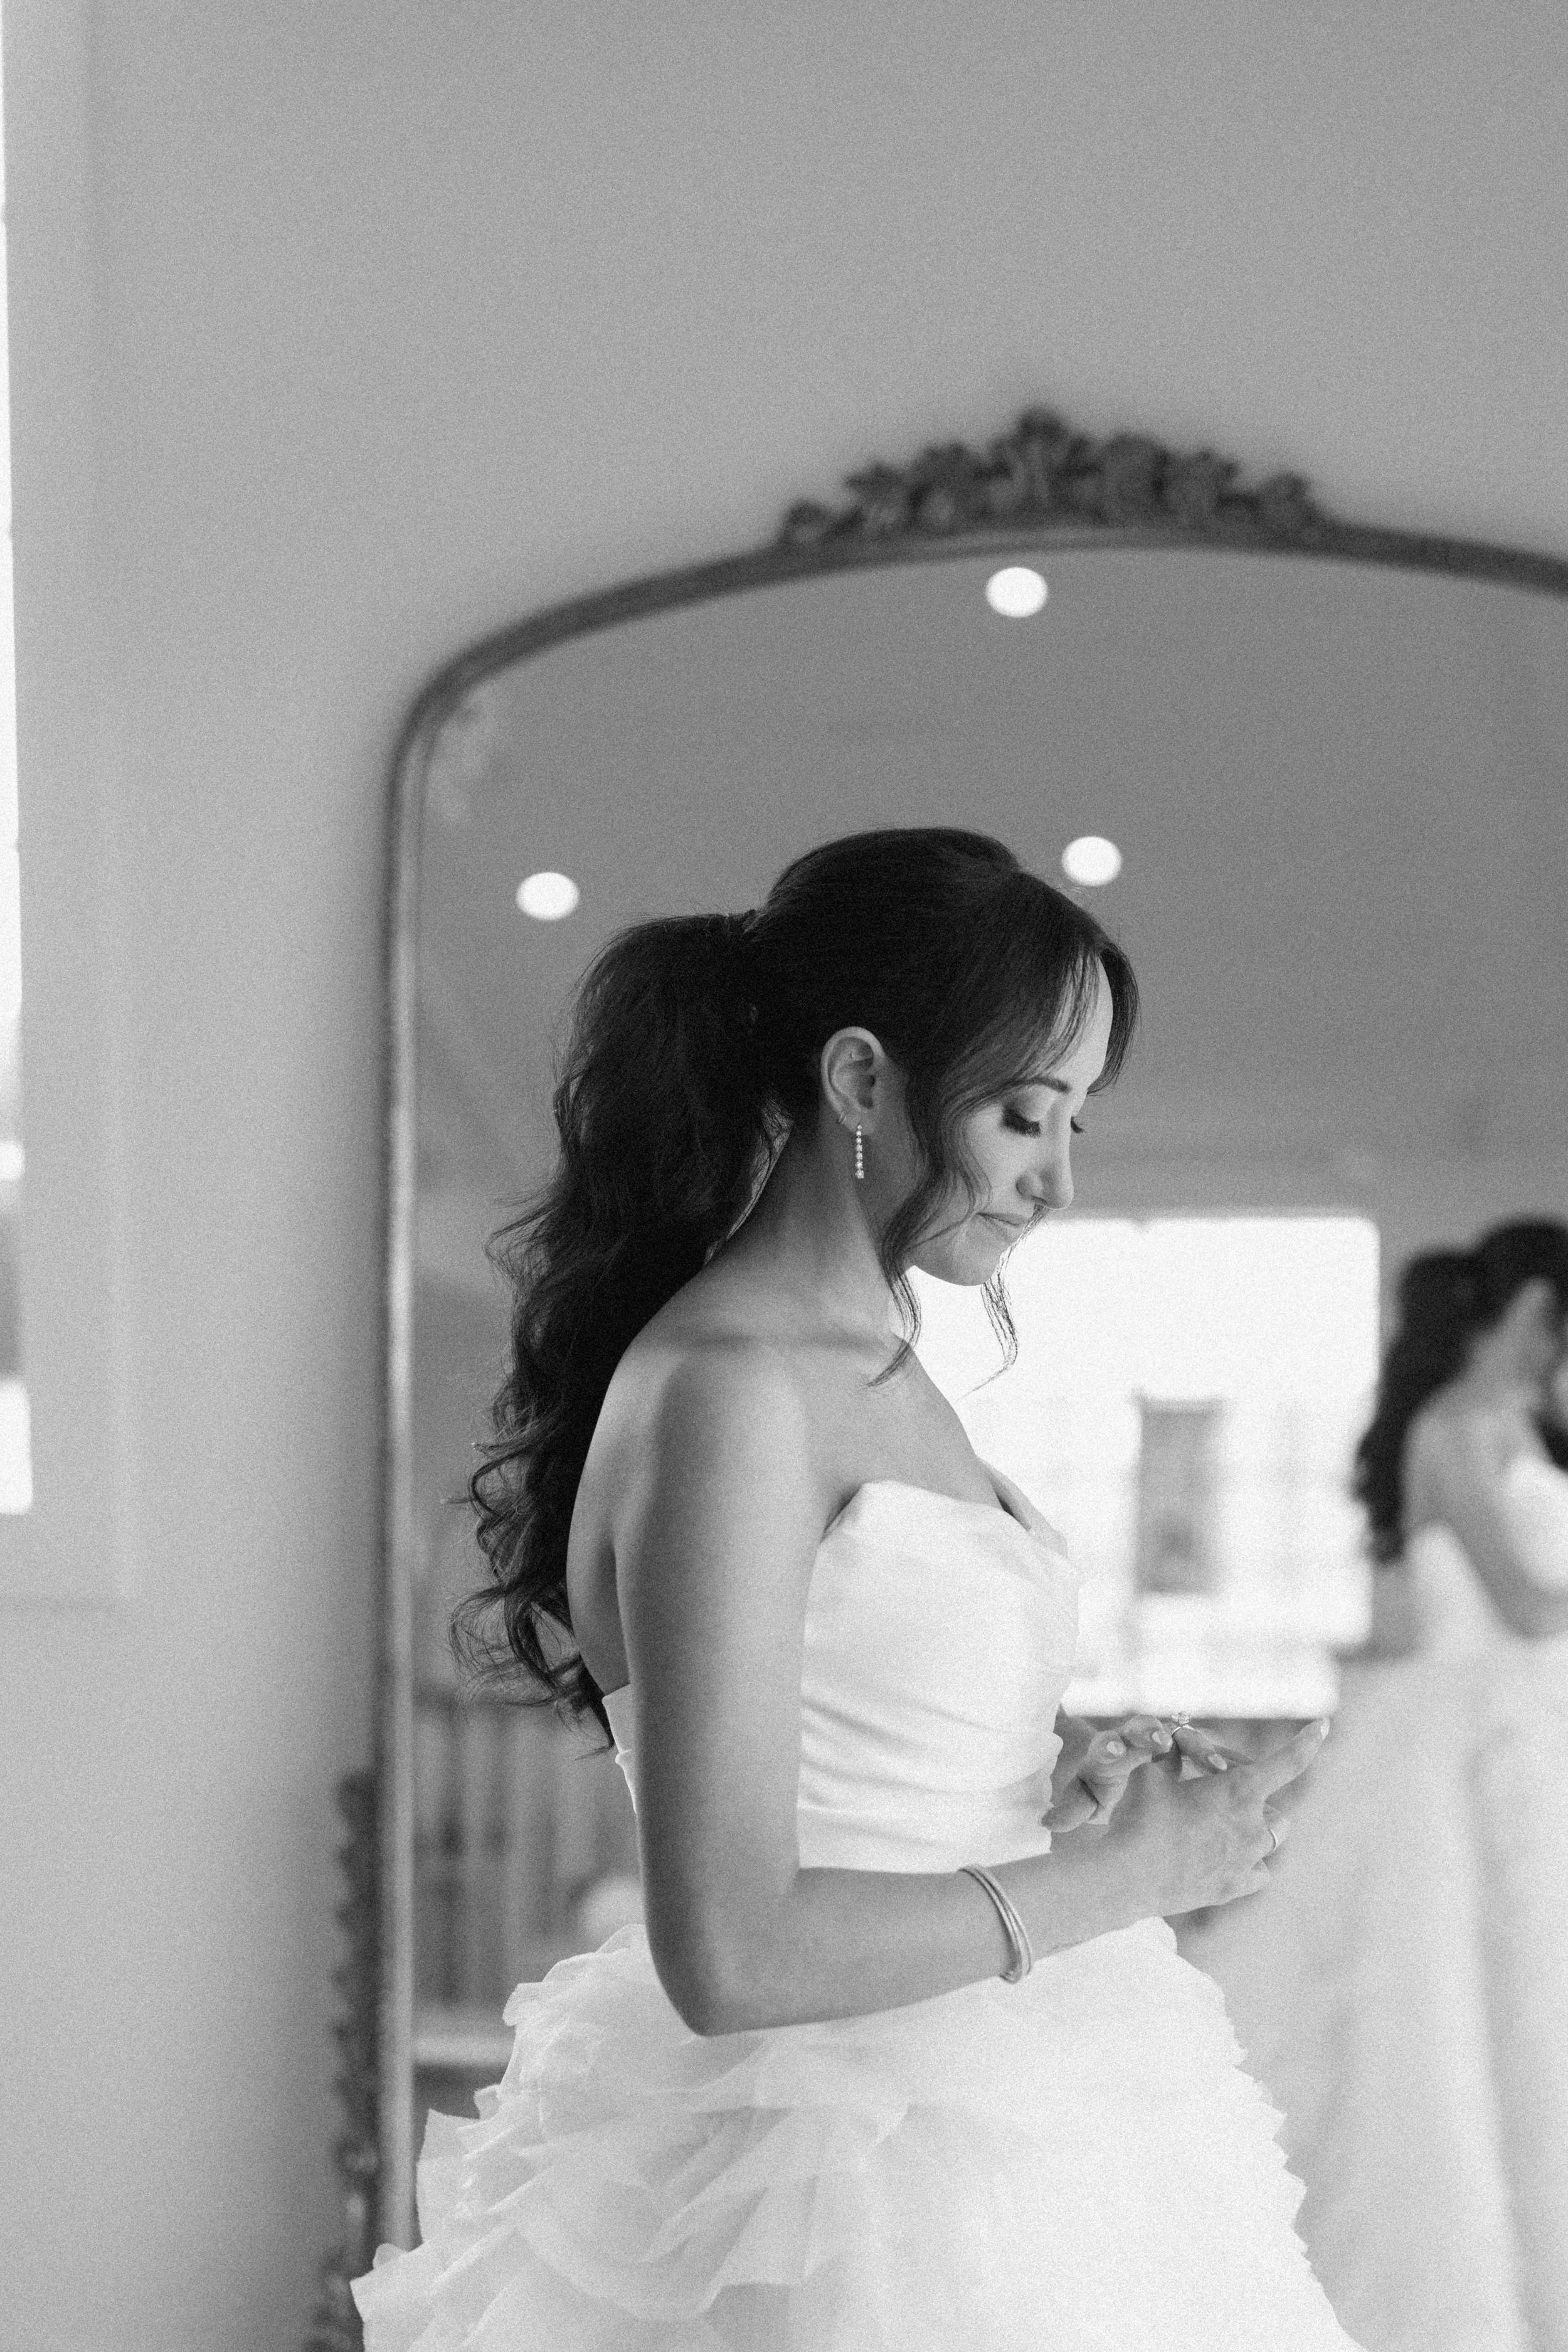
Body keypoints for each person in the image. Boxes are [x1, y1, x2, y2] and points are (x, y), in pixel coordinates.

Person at [354, 827, 1355, 2349]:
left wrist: (1055, 1789)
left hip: (1000, 2109)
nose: (1057, 1181)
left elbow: (859, 1752)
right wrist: (1135, 1876)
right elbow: (732, 1950)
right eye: (1026, 1115)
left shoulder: (869, 1370)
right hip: (831, 2173)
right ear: (861, 1083)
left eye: (1075, 1121)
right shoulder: (734, 1389)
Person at [1179, 1219, 1568, 2352]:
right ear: (1534, 1306)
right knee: (1458, 1996)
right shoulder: (1452, 1428)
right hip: (1478, 1725)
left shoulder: (1526, 1428)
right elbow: (1523, 1600)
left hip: (1515, 1721)